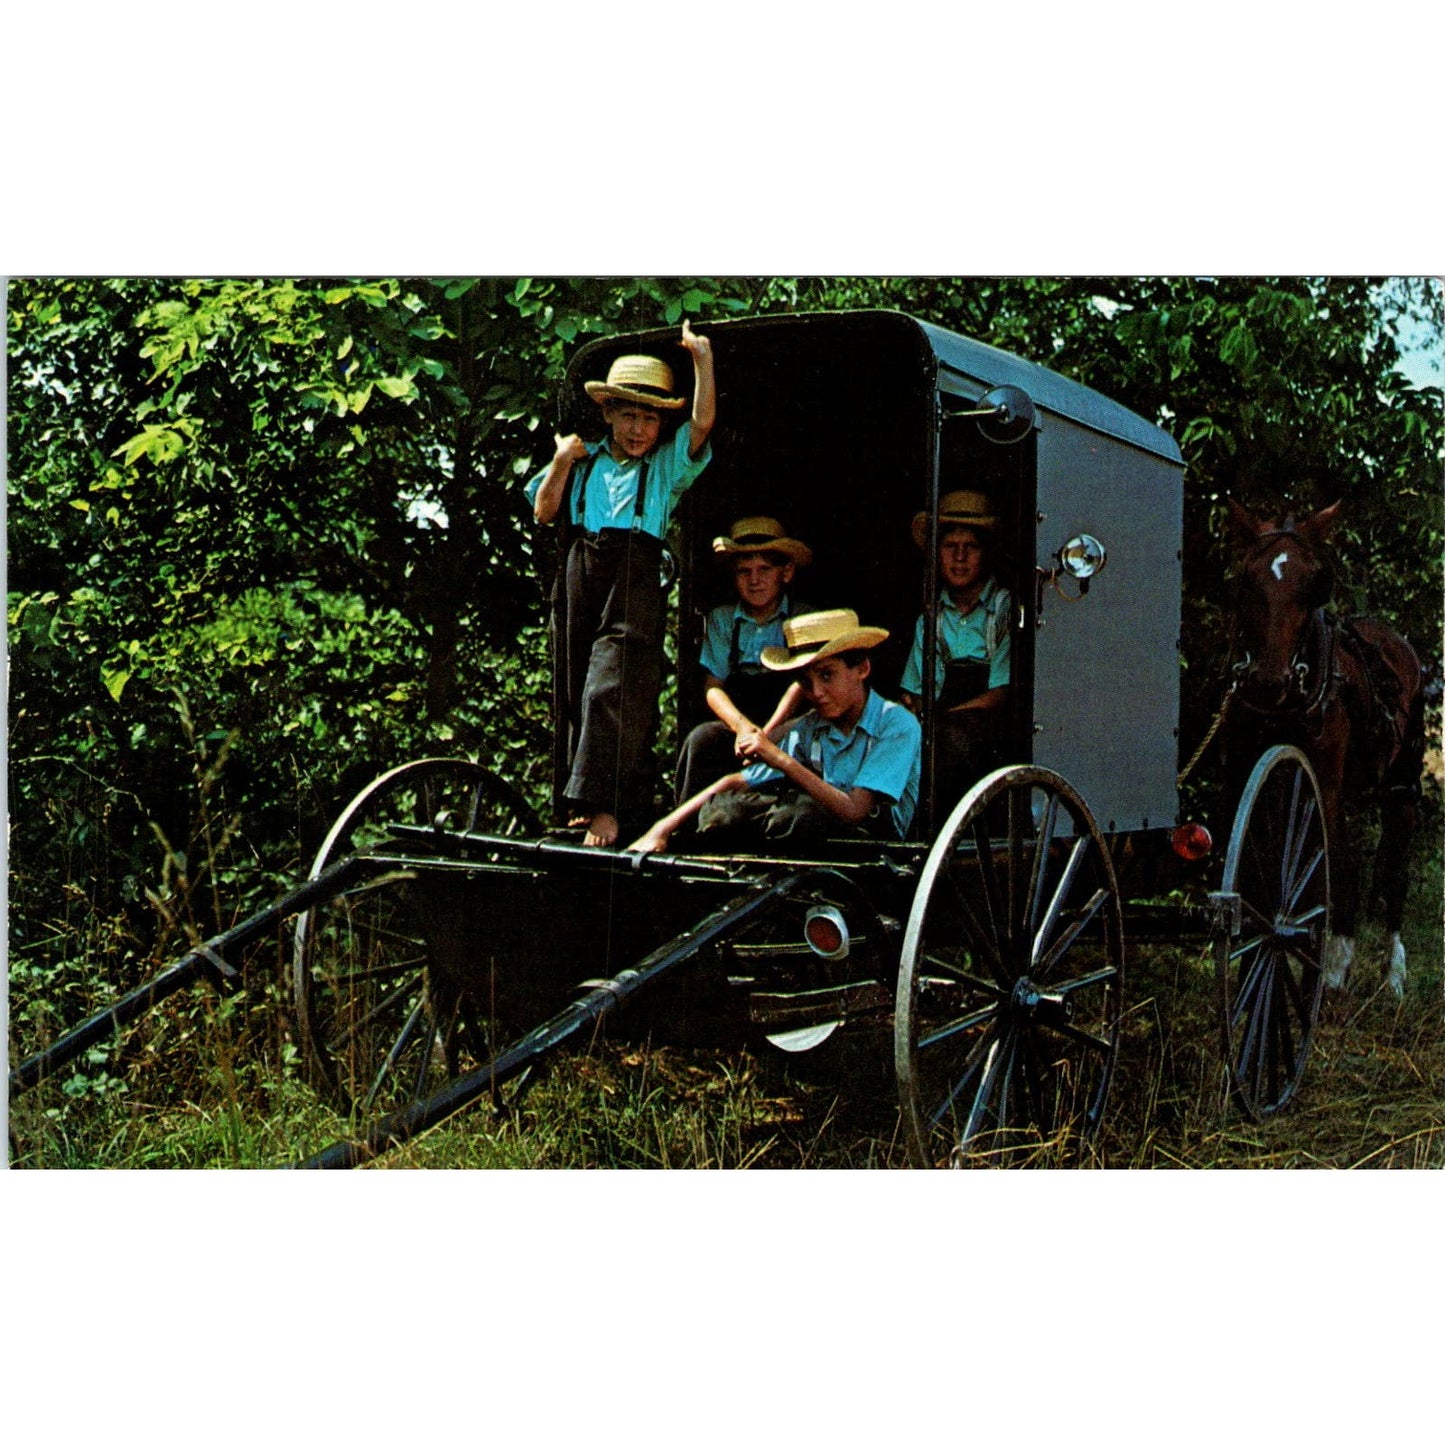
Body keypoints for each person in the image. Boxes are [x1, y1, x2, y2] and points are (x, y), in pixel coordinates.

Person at [526, 322, 716, 847]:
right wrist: (562, 460)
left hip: (634, 575)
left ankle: (607, 807)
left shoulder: (663, 469)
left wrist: (701, 359)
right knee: (573, 684)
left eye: (649, 417)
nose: (638, 428)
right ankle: (574, 803)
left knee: (614, 685)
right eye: (628, 414)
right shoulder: (583, 462)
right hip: (581, 568)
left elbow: (701, 423)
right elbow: (545, 511)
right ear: (607, 412)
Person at [629, 609, 921, 853]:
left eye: (827, 675)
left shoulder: (896, 724)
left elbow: (855, 810)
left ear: (862, 668)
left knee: (798, 815)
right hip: (816, 836)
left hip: (873, 847)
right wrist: (662, 828)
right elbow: (736, 781)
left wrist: (778, 757)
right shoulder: (810, 727)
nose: (816, 692)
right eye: (805, 682)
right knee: (724, 811)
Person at [673, 516, 814, 803]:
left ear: (785, 573)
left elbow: (802, 685)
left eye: (764, 569)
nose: (754, 579)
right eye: (744, 571)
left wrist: (767, 736)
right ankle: (685, 831)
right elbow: (713, 686)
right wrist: (743, 729)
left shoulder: (803, 616)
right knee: (701, 740)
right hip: (739, 724)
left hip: (789, 722)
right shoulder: (723, 619)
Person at [900, 489, 1012, 805]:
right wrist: (916, 709)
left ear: (987, 553)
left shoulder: (1003, 610)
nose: (959, 557)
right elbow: (918, 690)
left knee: (947, 741)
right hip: (942, 727)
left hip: (988, 731)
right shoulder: (931, 619)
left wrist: (941, 722)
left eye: (971, 547)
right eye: (950, 547)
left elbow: (1002, 693)